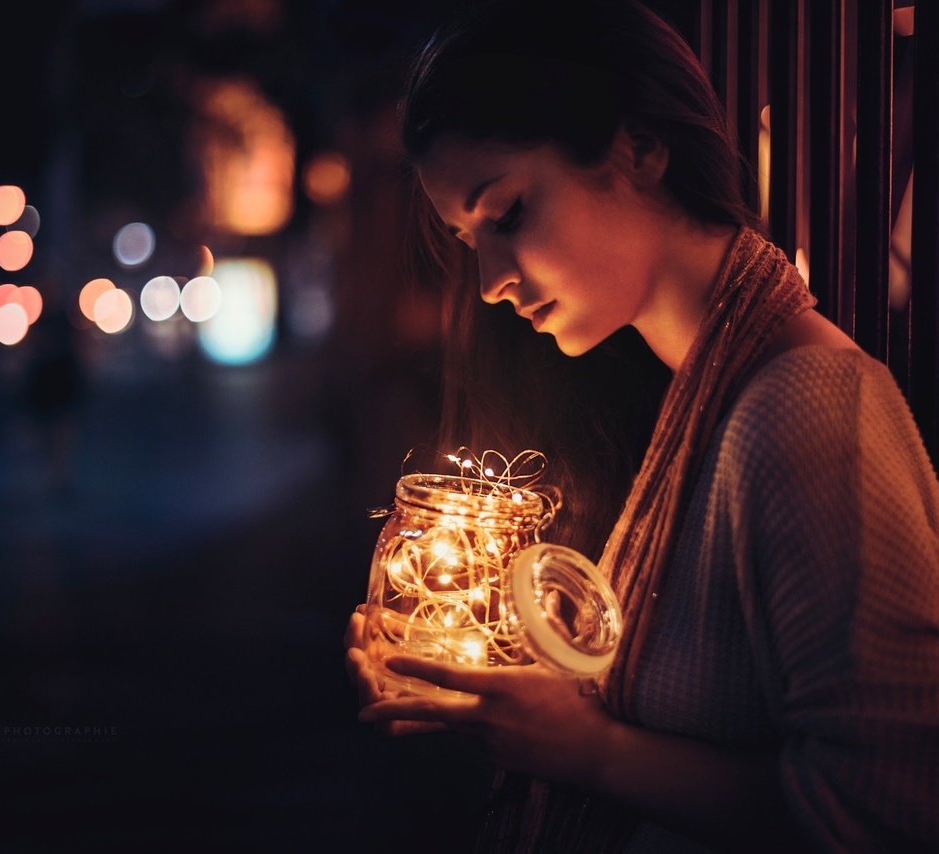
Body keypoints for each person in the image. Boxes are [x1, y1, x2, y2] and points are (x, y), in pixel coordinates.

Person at [344, 1, 939, 850]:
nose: (489, 283)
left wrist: (589, 753)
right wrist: (473, 683)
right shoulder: (671, 399)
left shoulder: (809, 409)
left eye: (507, 213)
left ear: (641, 149)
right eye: (466, 237)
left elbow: (890, 812)